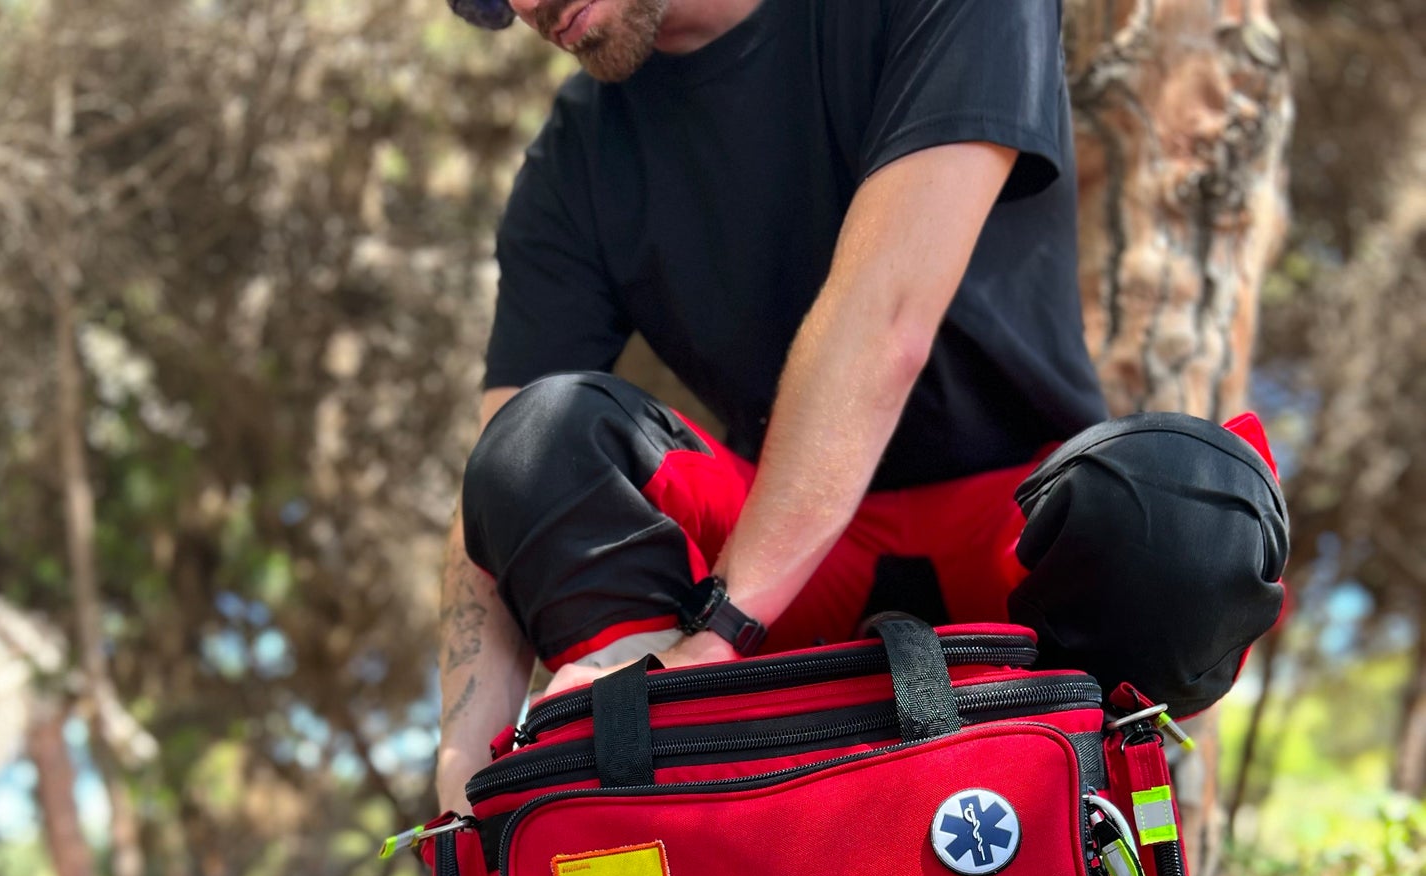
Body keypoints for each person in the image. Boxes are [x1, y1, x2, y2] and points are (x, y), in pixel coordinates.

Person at [436, 0, 1288, 814]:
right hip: (785, 553)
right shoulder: (572, 158)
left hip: (1012, 543)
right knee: (533, 445)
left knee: (1189, 510)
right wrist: (461, 777)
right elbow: (496, 489)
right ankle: (674, 820)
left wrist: (723, 624)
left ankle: (1077, 811)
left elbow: (883, 317)